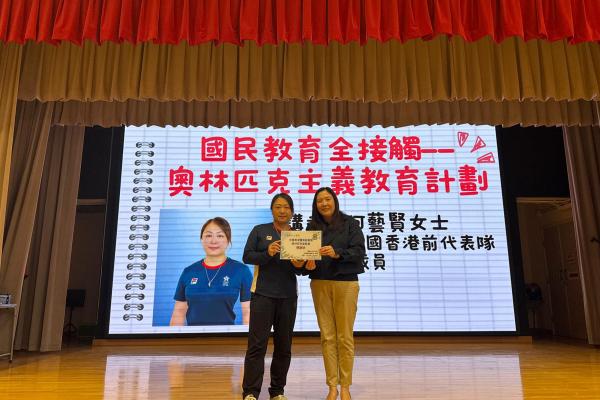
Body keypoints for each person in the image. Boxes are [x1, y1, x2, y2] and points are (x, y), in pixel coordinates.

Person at [305, 187, 366, 400]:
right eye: (319, 200)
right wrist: (307, 263)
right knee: (327, 337)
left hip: (346, 283)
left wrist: (337, 253)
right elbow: (305, 258)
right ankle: (332, 386)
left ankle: (345, 385)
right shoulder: (312, 227)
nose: (324, 203)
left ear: (335, 201)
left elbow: (359, 251)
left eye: (327, 199)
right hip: (319, 283)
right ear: (315, 205)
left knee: (345, 337)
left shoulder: (350, 223)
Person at [242, 193, 304, 400]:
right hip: (262, 295)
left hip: (288, 297)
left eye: (286, 207)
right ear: (272, 210)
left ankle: (277, 391)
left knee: (284, 347)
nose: (282, 210)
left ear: (292, 212)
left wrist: (300, 263)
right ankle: (250, 392)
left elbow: (301, 269)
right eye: (278, 206)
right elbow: (247, 256)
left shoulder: (298, 236)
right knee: (257, 346)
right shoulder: (260, 230)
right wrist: (267, 253)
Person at [170, 217, 252, 326]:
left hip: (227, 335)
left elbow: (248, 313)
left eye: (220, 236)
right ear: (201, 239)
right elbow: (178, 313)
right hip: (192, 335)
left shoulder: (241, 270)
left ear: (228, 240)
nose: (213, 241)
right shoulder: (189, 272)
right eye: (208, 235)